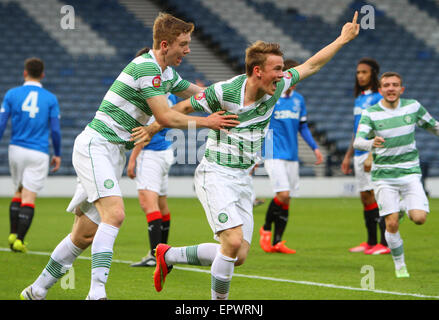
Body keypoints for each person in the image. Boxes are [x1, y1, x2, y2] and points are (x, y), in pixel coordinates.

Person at [133, 12, 360, 300]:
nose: (282, 75)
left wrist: (342, 38)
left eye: (282, 70)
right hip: (215, 173)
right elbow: (185, 107)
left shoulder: (277, 89)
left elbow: (312, 65)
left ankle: (169, 255)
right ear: (257, 71)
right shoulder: (225, 92)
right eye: (276, 69)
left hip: (241, 178)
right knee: (232, 241)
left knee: (237, 254)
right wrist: (153, 127)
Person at [19, 13, 239, 300]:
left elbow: (200, 93)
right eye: (183, 44)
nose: (187, 50)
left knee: (83, 235)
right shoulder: (147, 68)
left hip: (111, 154)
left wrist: (234, 97)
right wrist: (207, 122)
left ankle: (36, 291)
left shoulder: (166, 73)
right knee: (116, 214)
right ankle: (96, 293)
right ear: (164, 44)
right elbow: (164, 116)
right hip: (95, 146)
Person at [353, 71, 439, 278]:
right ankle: (400, 265)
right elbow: (358, 141)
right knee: (391, 223)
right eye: (386, 85)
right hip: (384, 176)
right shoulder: (371, 113)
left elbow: (434, 126)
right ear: (380, 89)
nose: (391, 88)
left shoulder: (413, 107)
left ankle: (401, 207)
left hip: (409, 173)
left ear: (402, 89)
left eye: (395, 85)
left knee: (419, 219)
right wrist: (370, 143)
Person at [259, 59, 323, 254]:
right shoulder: (270, 97)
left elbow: (302, 126)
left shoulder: (299, 100)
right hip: (273, 152)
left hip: (292, 154)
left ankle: (278, 242)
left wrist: (314, 147)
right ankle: (266, 229)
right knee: (283, 194)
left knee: (287, 199)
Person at [0, 57, 61, 253]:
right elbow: (56, 130)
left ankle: (12, 232)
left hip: (16, 149)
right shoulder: (50, 98)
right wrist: (57, 153)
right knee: (29, 196)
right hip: (38, 151)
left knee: (18, 190)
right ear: (42, 74)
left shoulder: (12, 94)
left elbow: (2, 123)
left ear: (25, 73)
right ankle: (19, 240)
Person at [341, 58, 390, 255]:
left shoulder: (379, 97)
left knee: (379, 195)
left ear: (373, 74)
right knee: (365, 196)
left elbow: (381, 128)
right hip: (358, 152)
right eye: (358, 72)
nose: (360, 75)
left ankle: (385, 243)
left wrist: (371, 153)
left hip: (373, 153)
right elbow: (357, 131)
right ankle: (371, 242)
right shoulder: (359, 98)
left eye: (364, 72)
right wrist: (347, 155)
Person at [128, 94, 178, 267]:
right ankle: (164, 254)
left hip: (151, 154)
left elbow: (146, 131)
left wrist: (133, 158)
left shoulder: (153, 97)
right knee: (161, 204)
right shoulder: (171, 96)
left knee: (148, 204)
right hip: (166, 151)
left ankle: (155, 255)